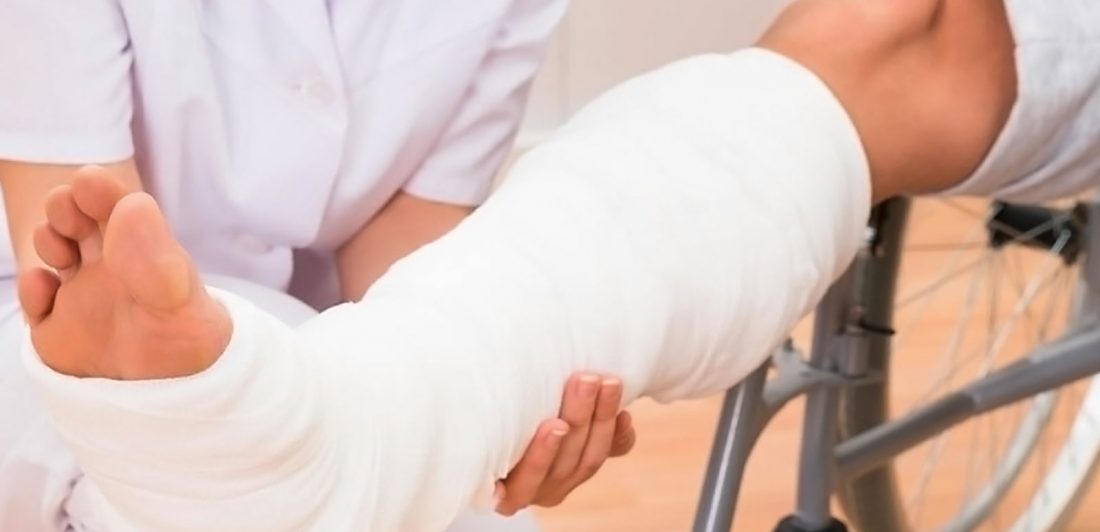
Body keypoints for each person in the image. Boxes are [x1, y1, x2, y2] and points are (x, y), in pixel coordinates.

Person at [16, 0, 1100, 530]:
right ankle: (258, 432)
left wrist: (491, 397)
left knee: (388, 470)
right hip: (46, 309)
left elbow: (407, 247)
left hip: (303, 350)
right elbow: (81, 232)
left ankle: (276, 432)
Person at [0, 1, 638, 530]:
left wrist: (484, 404)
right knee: (212, 496)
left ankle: (202, 385)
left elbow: (403, 252)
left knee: (474, 516)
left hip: (325, 328)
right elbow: (68, 213)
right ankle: (166, 366)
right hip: (33, 314)